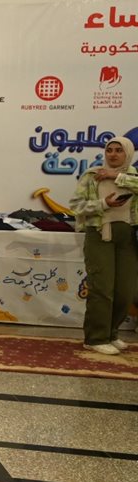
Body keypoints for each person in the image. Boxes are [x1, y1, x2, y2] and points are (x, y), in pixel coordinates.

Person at [70, 136, 138, 355]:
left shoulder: (133, 176)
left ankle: (112, 333)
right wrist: (103, 204)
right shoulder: (92, 175)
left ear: (128, 153)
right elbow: (76, 207)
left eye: (119, 150)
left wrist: (116, 176)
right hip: (100, 236)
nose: (113, 154)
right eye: (110, 150)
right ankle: (96, 338)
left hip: (128, 238)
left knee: (125, 291)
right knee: (102, 289)